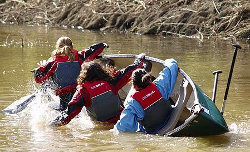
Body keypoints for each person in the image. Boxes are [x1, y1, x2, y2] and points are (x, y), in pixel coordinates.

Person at [50, 54, 146, 126]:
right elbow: (130, 69)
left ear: (83, 75)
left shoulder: (82, 91)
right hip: (121, 120)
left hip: (101, 126)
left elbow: (69, 113)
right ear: (101, 70)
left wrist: (54, 124)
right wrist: (139, 59)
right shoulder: (112, 80)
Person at [34, 36, 108, 111]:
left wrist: (41, 68)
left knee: (46, 85)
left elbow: (38, 79)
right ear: (72, 46)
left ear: (57, 47)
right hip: (78, 92)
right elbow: (94, 50)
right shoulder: (80, 56)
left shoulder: (52, 62)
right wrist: (103, 45)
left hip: (63, 94)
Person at [114, 58, 178, 134]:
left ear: (134, 86)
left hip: (154, 132)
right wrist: (167, 62)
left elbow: (124, 128)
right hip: (171, 119)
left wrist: (114, 129)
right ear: (149, 79)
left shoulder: (133, 103)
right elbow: (173, 64)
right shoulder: (159, 85)